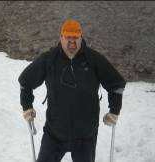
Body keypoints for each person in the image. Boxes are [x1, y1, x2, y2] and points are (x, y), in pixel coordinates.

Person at [18, 19, 126, 162]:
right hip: (54, 133)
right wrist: (27, 107)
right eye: (68, 38)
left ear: (81, 38)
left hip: (85, 136)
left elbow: (116, 83)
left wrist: (114, 111)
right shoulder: (49, 59)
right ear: (61, 38)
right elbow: (25, 81)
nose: (72, 43)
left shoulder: (93, 59)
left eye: (75, 38)